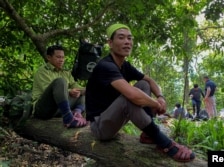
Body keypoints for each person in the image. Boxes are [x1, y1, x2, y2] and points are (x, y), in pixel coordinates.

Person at [85, 23, 195, 162]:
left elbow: (149, 80)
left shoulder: (125, 65)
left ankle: (147, 134)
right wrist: (155, 104)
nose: (127, 42)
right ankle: (165, 144)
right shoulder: (105, 66)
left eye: (129, 38)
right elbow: (132, 96)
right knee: (128, 98)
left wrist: (161, 97)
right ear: (110, 43)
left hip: (115, 118)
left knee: (143, 83)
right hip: (100, 127)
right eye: (121, 38)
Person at [32, 45, 87, 128]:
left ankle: (77, 113)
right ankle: (68, 119)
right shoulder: (43, 71)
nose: (61, 60)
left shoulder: (65, 73)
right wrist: (69, 92)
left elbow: (76, 86)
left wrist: (87, 89)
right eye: (58, 57)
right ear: (49, 57)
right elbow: (47, 90)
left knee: (83, 93)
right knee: (60, 81)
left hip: (58, 109)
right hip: (43, 109)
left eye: (63, 57)